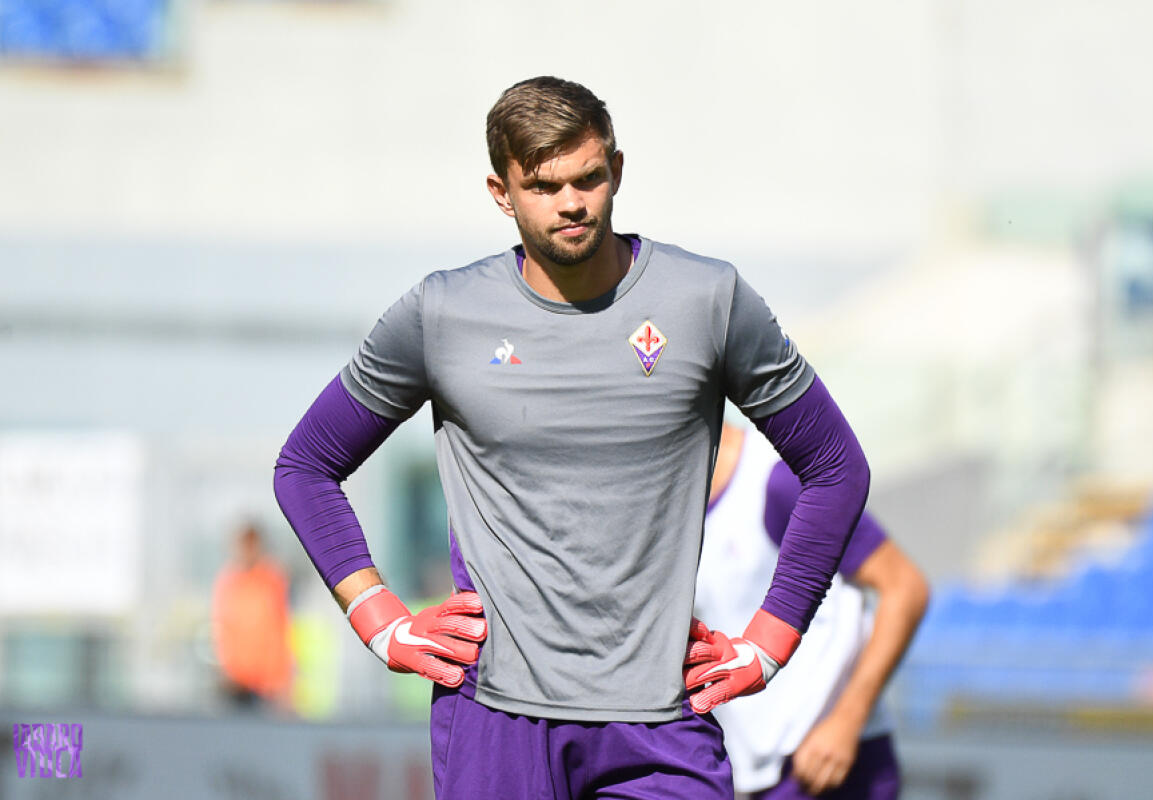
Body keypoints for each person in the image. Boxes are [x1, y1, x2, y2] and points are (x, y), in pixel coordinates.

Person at [274, 76, 870, 799]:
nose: (572, 203)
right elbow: (305, 466)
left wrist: (771, 641)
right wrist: (378, 619)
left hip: (664, 717)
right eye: (543, 186)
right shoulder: (443, 313)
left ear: (616, 170)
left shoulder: (708, 300)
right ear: (501, 192)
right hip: (494, 716)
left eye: (589, 178)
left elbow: (836, 467)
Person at [694, 424, 929, 799]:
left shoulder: (776, 482)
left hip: (831, 767)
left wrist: (846, 721)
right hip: (759, 773)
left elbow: (905, 587)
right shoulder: (673, 506)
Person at [211, 522, 293, 711]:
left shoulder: (272, 580)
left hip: (266, 683)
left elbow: (278, 628)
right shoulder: (228, 581)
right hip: (235, 680)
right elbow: (222, 629)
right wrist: (224, 668)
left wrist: (281, 679)